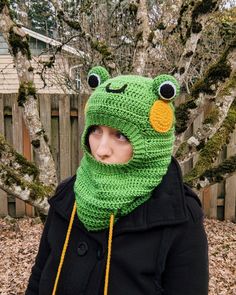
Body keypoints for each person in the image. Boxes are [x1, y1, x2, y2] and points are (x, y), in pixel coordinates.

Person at [25, 66, 209, 295]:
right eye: (95, 131)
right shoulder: (69, 195)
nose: (101, 150)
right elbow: (39, 276)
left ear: (150, 143)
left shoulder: (180, 217)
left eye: (120, 135)